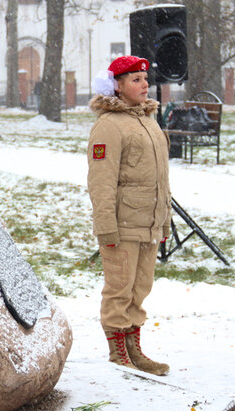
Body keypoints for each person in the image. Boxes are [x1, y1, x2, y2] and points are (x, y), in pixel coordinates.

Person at [86, 55, 171, 376]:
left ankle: (135, 348)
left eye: (145, 80)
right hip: (121, 225)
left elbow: (162, 178)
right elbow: (101, 182)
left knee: (140, 288)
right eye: (135, 80)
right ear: (117, 87)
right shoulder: (109, 126)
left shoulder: (149, 121)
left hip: (149, 222)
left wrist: (164, 221)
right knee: (119, 288)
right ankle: (117, 350)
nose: (144, 85)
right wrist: (105, 228)